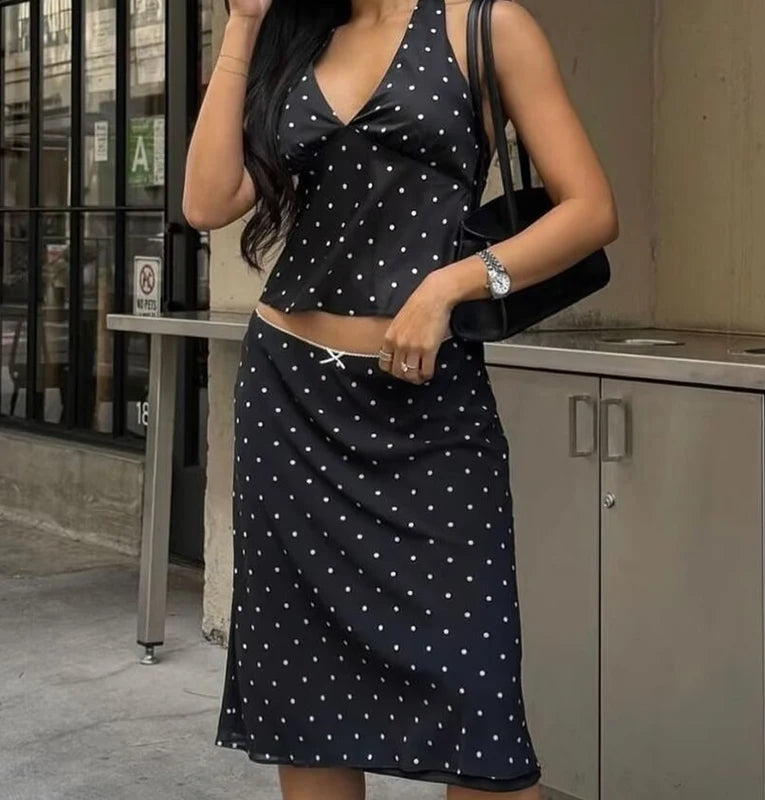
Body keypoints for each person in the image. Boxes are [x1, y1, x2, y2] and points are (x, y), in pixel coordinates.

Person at [183, 0, 618, 797]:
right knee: (308, 713)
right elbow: (207, 203)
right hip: (291, 404)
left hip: (431, 410)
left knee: (480, 715)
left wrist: (454, 284)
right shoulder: (299, 38)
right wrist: (242, 23)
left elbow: (590, 209)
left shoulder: (486, 27)